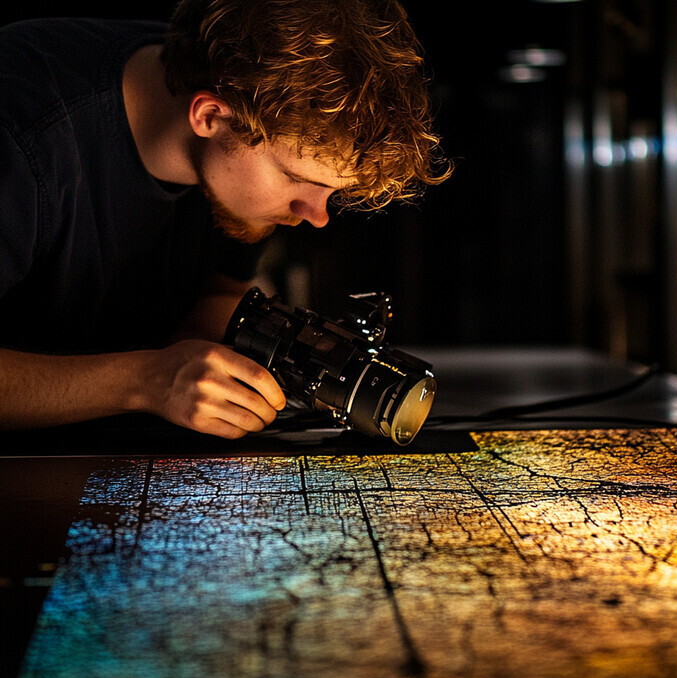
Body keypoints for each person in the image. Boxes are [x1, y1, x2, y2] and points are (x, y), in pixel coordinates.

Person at [0, 0, 449, 439]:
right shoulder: (24, 131)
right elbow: (155, 376)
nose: (315, 216)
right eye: (296, 179)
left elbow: (217, 296)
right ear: (210, 115)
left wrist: (306, 351)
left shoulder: (243, 149)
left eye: (332, 191)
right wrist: (144, 382)